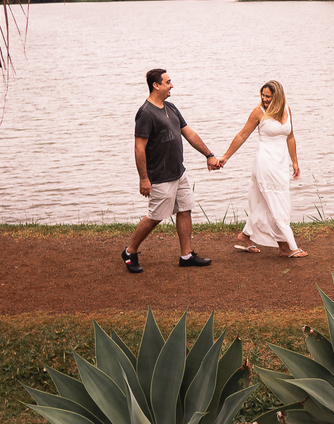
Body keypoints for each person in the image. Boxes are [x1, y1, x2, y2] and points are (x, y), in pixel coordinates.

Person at [122, 68, 220, 273]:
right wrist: (143, 179)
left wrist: (209, 154)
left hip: (179, 172)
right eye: (168, 82)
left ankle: (186, 255)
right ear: (156, 85)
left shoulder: (171, 107)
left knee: (185, 210)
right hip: (160, 176)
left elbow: (189, 133)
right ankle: (130, 252)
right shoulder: (145, 113)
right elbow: (139, 148)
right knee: (155, 216)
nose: (171, 85)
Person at [219, 80, 307, 258]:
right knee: (276, 202)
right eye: (263, 95)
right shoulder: (258, 112)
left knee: (264, 202)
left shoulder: (287, 110)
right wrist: (226, 156)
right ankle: (286, 247)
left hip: (281, 163)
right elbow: (242, 134)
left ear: (278, 97)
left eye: (268, 96)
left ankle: (245, 236)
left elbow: (290, 136)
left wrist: (295, 162)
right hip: (265, 162)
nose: (264, 99)